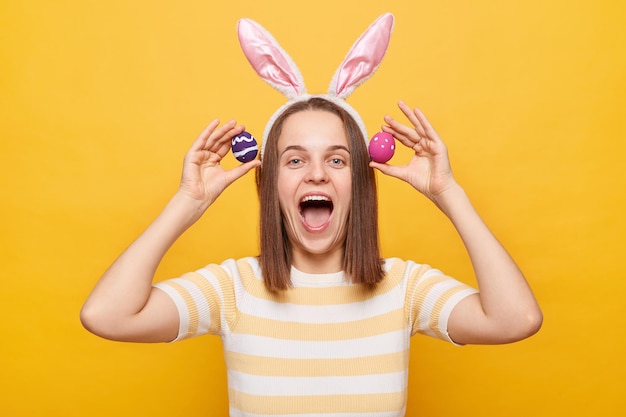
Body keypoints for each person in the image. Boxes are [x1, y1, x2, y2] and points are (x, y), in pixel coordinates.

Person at [81, 96, 542, 416]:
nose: (317, 174)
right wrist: (188, 202)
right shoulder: (231, 288)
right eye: (295, 160)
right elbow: (107, 315)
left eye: (338, 160)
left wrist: (448, 192)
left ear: (360, 184)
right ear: (269, 183)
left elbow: (516, 318)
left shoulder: (405, 288)